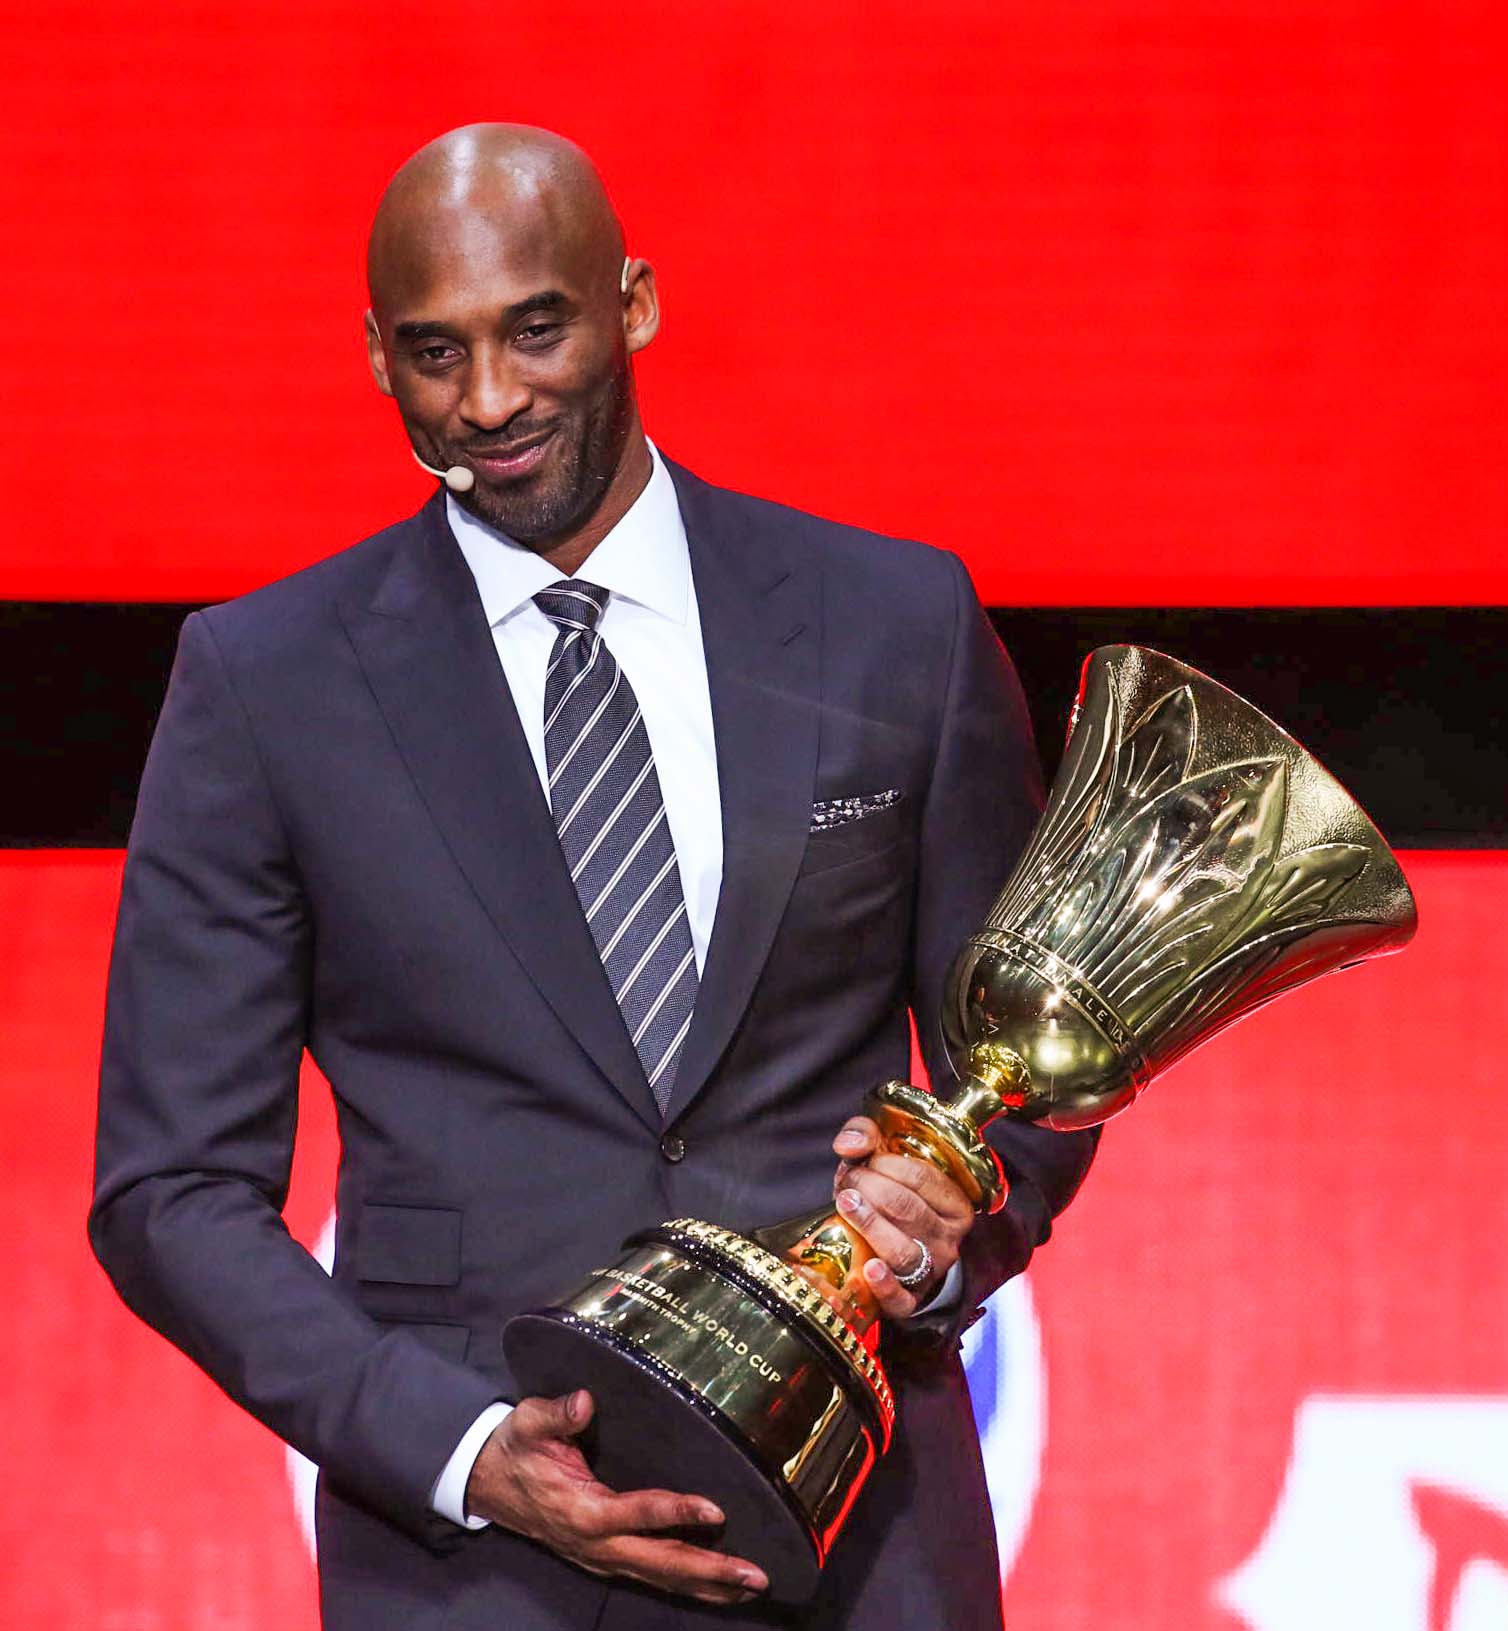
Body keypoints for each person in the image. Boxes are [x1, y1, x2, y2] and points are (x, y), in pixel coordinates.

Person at [90, 124, 1098, 1631]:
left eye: (535, 330)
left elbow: (1022, 1058)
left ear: (632, 302)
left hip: (867, 1531)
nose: (489, 402)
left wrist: (957, 1230)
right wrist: (459, 1451)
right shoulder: (264, 682)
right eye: (435, 355)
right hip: (472, 1561)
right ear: (376, 356)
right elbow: (169, 1189)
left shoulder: (892, 621)